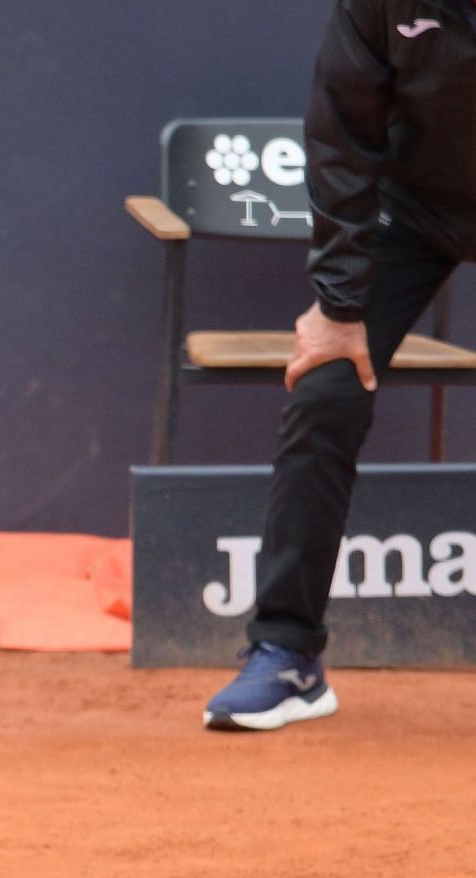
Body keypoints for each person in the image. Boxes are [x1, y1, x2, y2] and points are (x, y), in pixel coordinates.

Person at [205, 0, 476, 731]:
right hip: (415, 209)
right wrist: (337, 302)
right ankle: (286, 653)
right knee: (327, 387)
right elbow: (341, 130)